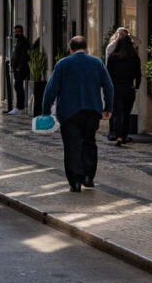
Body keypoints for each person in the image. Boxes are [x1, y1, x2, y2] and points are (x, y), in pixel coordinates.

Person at [41, 36, 114, 192]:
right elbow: (109, 87)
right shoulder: (97, 63)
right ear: (86, 49)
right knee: (89, 142)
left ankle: (75, 181)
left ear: (71, 49)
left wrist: (45, 111)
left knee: (72, 145)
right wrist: (108, 108)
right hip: (92, 111)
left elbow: (50, 90)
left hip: (69, 113)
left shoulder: (63, 64)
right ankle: (88, 176)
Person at [106, 35, 141, 147]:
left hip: (116, 88)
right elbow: (138, 75)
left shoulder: (112, 57)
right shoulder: (134, 58)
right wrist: (137, 88)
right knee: (126, 113)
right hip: (129, 88)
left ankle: (119, 136)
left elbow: (108, 75)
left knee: (117, 113)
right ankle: (125, 135)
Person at [9, 25, 30, 114]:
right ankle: (19, 107)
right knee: (17, 87)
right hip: (16, 68)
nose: (16, 33)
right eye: (15, 32)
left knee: (18, 87)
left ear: (21, 31)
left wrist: (19, 67)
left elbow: (24, 56)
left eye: (17, 31)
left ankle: (19, 107)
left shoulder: (24, 42)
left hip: (20, 69)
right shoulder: (18, 41)